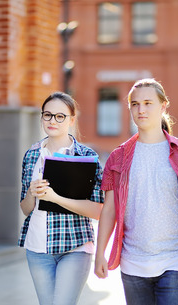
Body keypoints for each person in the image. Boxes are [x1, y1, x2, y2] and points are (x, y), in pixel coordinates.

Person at [94, 79, 178, 305]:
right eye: (135, 104)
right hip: (133, 266)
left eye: (148, 103)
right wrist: (100, 253)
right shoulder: (117, 157)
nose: (141, 110)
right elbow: (109, 209)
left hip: (176, 263)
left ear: (163, 106)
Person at [18, 92, 104, 305]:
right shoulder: (31, 154)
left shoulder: (86, 156)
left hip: (74, 247)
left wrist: (55, 198)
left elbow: (98, 210)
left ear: (71, 120)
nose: (52, 121)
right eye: (47, 115)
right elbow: (24, 209)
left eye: (60, 116)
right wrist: (31, 193)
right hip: (37, 249)